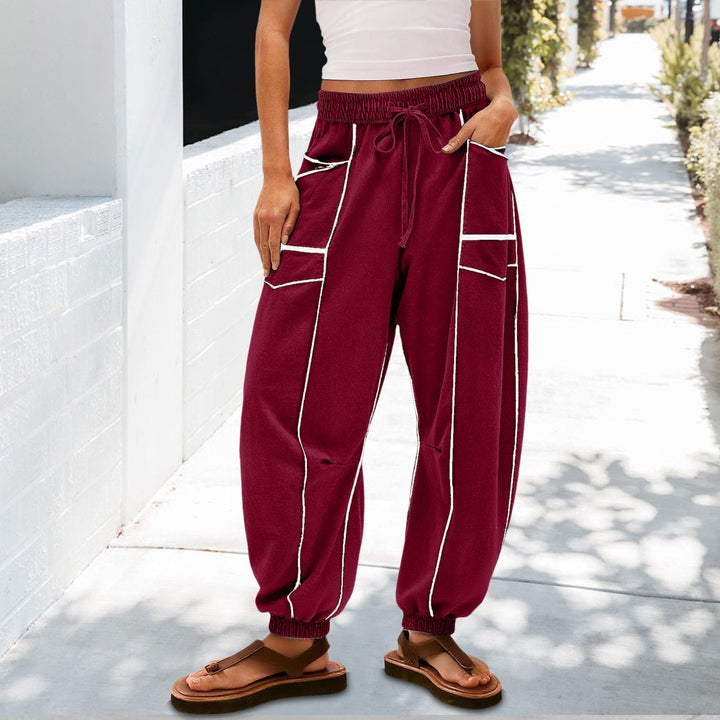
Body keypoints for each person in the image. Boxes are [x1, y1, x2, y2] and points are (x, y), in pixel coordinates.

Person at [171, 0, 528, 712]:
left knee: (470, 400)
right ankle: (295, 637)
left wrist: (505, 103)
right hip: (343, 150)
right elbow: (273, 28)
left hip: (460, 158)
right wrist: (276, 172)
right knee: (290, 397)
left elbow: (489, 64)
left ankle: (430, 629)